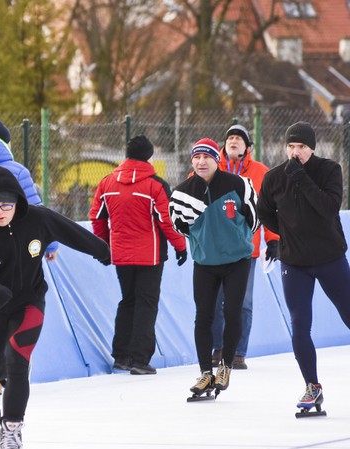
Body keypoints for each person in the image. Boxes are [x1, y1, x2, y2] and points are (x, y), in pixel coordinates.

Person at [0, 167, 110, 449]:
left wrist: (100, 248)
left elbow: (69, 231)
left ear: (17, 202)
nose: (0, 212)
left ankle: (12, 428)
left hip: (29, 301)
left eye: (6, 205)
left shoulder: (37, 219)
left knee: (18, 360)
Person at [257, 121, 350, 415]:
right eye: (291, 147)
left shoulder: (329, 170)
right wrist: (287, 233)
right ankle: (312, 386)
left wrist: (302, 178)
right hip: (294, 262)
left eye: (301, 147)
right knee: (299, 324)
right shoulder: (274, 178)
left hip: (329, 258)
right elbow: (265, 213)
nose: (295, 153)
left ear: (312, 148)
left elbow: (328, 207)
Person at [89, 135, 188, 375]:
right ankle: (140, 360)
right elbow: (166, 221)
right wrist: (180, 246)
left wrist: (104, 246)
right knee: (146, 303)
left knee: (128, 300)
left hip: (121, 254)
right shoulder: (156, 184)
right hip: (150, 255)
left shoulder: (107, 182)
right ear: (149, 156)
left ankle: (121, 356)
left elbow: (97, 217)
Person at [169, 138, 259, 398]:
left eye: (206, 157)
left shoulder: (238, 185)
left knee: (232, 312)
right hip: (206, 263)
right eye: (196, 157)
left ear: (216, 160)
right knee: (204, 316)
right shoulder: (182, 193)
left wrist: (236, 239)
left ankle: (226, 366)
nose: (201, 161)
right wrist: (203, 242)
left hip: (237, 262)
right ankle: (205, 372)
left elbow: (254, 218)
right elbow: (180, 225)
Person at [210, 125, 278, 370]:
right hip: (215, 249)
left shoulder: (260, 172)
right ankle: (218, 348)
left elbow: (270, 208)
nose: (233, 140)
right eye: (230, 137)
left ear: (248, 147)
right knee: (215, 302)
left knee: (242, 303)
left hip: (245, 250)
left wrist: (273, 239)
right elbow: (192, 193)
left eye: (239, 138)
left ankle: (238, 353)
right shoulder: (211, 166)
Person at [0, 116, 59, 260]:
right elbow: (36, 210)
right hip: (12, 245)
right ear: (5, 145)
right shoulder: (18, 172)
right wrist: (50, 245)